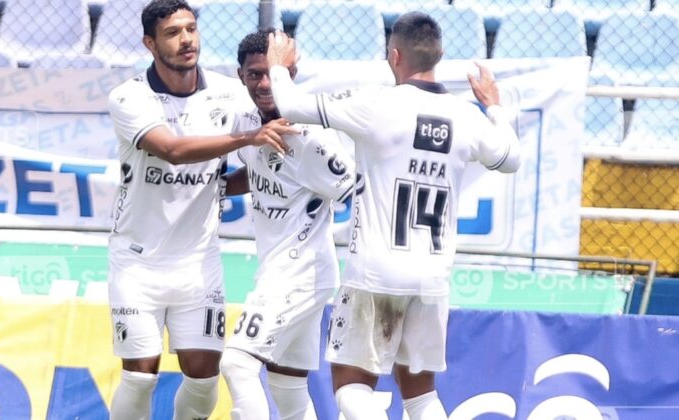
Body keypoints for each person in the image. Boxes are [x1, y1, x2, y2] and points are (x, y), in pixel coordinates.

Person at [265, 12, 522, 420]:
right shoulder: (466, 117)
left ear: (394, 55)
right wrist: (494, 107)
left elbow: (291, 104)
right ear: (439, 55)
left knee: (351, 387)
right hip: (432, 277)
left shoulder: (376, 104)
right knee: (420, 395)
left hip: (375, 273)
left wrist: (278, 65)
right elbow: (510, 158)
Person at [105, 1, 297, 419]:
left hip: (199, 262)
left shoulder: (229, 94)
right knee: (140, 375)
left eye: (190, 29)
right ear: (150, 43)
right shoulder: (129, 97)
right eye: (173, 33)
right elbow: (172, 151)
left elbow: (268, 153)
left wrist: (226, 181)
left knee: (204, 379)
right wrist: (248, 138)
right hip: (137, 262)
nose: (186, 39)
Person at [219, 30, 355, 420]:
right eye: (254, 74)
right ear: (241, 75)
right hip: (278, 268)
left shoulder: (310, 135)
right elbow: (259, 171)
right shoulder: (246, 121)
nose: (264, 84)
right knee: (287, 385)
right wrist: (214, 188)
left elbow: (356, 189)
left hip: (302, 272)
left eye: (271, 73)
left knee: (237, 363)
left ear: (290, 73)